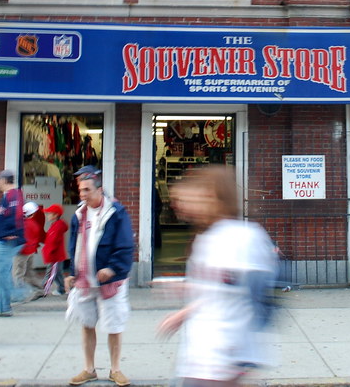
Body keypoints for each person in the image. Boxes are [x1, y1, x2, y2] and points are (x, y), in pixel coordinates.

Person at [158, 165, 278, 386]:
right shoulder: (206, 238)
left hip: (222, 358)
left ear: (211, 196)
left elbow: (255, 298)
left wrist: (239, 356)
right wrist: (185, 310)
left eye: (187, 198)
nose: (179, 206)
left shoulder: (243, 238)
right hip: (200, 355)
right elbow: (218, 290)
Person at [65, 166, 134, 387]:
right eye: (80, 190)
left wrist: (112, 268)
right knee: (87, 324)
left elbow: (125, 245)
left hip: (109, 282)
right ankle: (89, 369)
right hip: (85, 282)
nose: (83, 194)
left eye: (87, 190)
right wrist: (70, 273)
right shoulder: (78, 214)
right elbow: (74, 245)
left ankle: (115, 369)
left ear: (99, 189)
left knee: (113, 326)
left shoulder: (116, 212)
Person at [0, 169, 24, 317]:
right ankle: (3, 307)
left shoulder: (13, 195)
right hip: (4, 240)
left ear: (4, 180)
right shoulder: (9, 196)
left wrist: (11, 233)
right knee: (0, 273)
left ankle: (14, 297)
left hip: (5, 241)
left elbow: (15, 216)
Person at [12, 201, 45, 302]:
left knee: (18, 274)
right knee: (29, 273)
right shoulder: (34, 224)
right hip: (31, 251)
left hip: (21, 252)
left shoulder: (22, 224)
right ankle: (39, 290)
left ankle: (19, 294)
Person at [41, 203, 68, 296]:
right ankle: (61, 289)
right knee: (57, 273)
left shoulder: (57, 226)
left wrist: (49, 252)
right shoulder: (56, 225)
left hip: (54, 255)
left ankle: (43, 290)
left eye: (49, 213)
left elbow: (53, 241)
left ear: (55, 215)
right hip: (55, 255)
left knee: (51, 274)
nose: (47, 215)